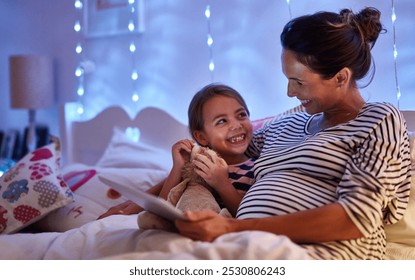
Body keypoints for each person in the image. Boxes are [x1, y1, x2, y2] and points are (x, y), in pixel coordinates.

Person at [175, 7, 412, 260]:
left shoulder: (379, 119)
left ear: (341, 77)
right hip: (246, 248)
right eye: (288, 79)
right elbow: (221, 147)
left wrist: (234, 227)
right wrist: (160, 184)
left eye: (299, 82)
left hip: (322, 255)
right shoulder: (287, 124)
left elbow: (356, 217)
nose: (290, 92)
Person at [99, 83, 256, 219]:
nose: (236, 125)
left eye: (241, 115)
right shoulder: (197, 167)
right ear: (201, 137)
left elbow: (247, 215)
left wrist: (222, 184)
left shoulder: (256, 167)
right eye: (222, 121)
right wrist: (178, 167)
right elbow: (162, 207)